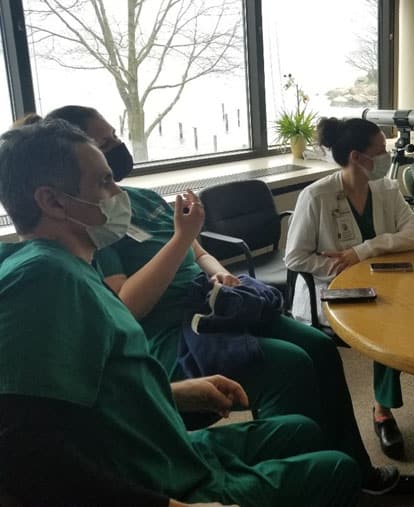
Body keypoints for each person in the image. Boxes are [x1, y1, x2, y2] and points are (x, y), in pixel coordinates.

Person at [0, 119, 361, 506]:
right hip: (158, 481)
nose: (116, 191)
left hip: (168, 450)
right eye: (103, 182)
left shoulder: (72, 268)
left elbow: (97, 397)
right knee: (337, 469)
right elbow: (21, 451)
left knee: (302, 430)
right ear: (52, 201)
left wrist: (173, 393)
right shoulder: (43, 279)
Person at [284, 117, 414, 459]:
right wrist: (339, 265)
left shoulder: (386, 190)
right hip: (333, 290)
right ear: (355, 157)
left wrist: (363, 251)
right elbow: (295, 257)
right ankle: (384, 410)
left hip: (384, 279)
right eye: (380, 151)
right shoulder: (316, 196)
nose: (388, 156)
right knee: (390, 320)